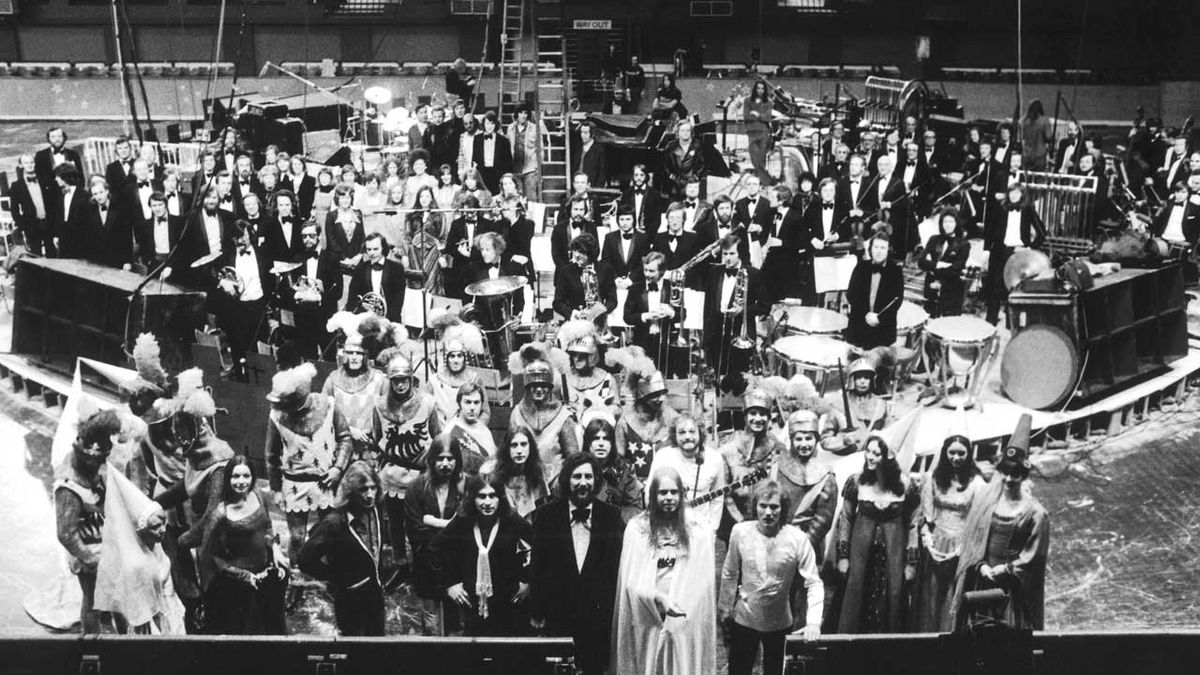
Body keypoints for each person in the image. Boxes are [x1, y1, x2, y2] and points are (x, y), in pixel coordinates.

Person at [947, 414, 1050, 631]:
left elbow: (1034, 556)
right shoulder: (989, 502)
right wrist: (981, 565)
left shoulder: (1035, 513)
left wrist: (1007, 569)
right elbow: (976, 538)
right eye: (1005, 473)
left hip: (1012, 586)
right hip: (984, 579)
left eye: (1016, 475)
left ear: (1024, 476)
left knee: (1007, 633)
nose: (1009, 479)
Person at [612, 466, 716, 675]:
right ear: (653, 495)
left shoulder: (698, 528)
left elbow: (702, 580)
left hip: (685, 616)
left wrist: (682, 604)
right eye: (662, 492)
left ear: (681, 493)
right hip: (648, 615)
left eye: (673, 492)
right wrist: (656, 598)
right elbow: (630, 580)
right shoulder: (637, 528)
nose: (669, 498)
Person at [529, 454, 626, 675]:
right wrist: (537, 612)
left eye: (588, 477)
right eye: (577, 476)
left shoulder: (610, 517)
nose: (583, 482)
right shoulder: (547, 515)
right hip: (558, 616)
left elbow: (615, 570)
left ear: (596, 480)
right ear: (567, 480)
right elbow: (537, 566)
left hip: (597, 620)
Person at [719, 481, 823, 675]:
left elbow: (814, 582)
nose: (768, 512)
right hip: (745, 619)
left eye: (774, 507)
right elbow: (730, 572)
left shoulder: (797, 538)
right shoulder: (740, 532)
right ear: (755, 507)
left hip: (779, 623)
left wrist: (813, 623)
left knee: (775, 670)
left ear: (782, 509)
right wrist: (725, 607)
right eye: (763, 506)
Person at [264, 362, 354, 560]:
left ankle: (332, 575)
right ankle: (298, 578)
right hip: (294, 485)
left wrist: (338, 469)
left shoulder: (329, 405)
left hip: (326, 482)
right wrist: (276, 488)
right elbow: (271, 454)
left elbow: (345, 438)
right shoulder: (277, 415)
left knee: (331, 534)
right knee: (296, 537)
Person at [833, 435, 919, 633]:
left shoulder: (906, 485)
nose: (870, 457)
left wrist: (911, 563)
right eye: (868, 452)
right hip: (861, 555)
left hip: (892, 556)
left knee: (892, 598)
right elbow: (845, 519)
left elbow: (913, 524)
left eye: (876, 453)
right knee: (856, 596)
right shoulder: (856, 482)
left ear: (888, 457)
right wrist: (843, 557)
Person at [428, 474, 534, 636]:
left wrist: (528, 582)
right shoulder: (464, 521)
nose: (487, 503)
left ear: (500, 498)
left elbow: (541, 547)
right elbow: (435, 548)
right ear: (473, 498)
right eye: (481, 497)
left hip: (508, 601)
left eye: (492, 496)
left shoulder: (510, 520)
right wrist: (449, 584)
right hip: (472, 603)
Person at [373, 354, 443, 586]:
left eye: (404, 379)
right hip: (392, 474)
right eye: (396, 380)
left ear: (412, 379)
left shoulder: (427, 403)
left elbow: (438, 437)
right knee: (395, 522)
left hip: (420, 476)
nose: (400, 384)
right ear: (390, 381)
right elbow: (377, 437)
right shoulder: (380, 405)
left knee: (420, 523)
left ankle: (422, 564)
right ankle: (400, 564)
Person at [198, 455, 288, 634]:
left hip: (264, 575)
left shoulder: (258, 496)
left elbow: (267, 525)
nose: (241, 482)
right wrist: (245, 577)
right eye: (235, 476)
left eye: (246, 476)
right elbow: (211, 557)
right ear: (227, 479)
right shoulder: (220, 514)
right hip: (239, 588)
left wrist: (275, 547)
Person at [297, 461, 386, 636]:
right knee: (353, 654)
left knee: (377, 651)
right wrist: (336, 577)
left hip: (376, 599)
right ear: (350, 491)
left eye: (373, 488)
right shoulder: (334, 523)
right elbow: (304, 559)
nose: (369, 495)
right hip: (350, 602)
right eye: (363, 489)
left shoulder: (374, 512)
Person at [912, 433, 986, 632]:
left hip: (963, 541)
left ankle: (952, 631)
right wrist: (927, 537)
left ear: (968, 454)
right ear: (945, 453)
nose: (956, 458)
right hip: (937, 541)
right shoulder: (934, 478)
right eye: (951, 452)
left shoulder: (976, 483)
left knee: (955, 590)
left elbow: (978, 518)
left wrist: (965, 546)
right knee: (932, 590)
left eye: (961, 453)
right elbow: (926, 514)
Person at [55, 410, 121, 633]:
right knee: (93, 601)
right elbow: (65, 533)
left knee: (111, 596)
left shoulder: (96, 473)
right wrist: (89, 558)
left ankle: (110, 632)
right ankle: (92, 640)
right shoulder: (69, 487)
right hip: (87, 550)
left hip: (104, 543)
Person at [405, 435, 469, 634]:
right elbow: (417, 533)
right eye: (440, 458)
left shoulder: (465, 487)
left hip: (457, 570)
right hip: (427, 569)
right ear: (431, 459)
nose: (445, 464)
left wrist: (433, 522)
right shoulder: (416, 488)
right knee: (431, 628)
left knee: (457, 627)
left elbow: (467, 530)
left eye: (450, 458)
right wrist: (450, 526)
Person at [773, 410, 837, 564]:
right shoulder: (778, 466)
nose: (804, 444)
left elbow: (823, 519)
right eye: (798, 439)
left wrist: (803, 545)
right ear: (791, 439)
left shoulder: (826, 475)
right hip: (778, 540)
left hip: (808, 545)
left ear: (816, 439)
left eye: (809, 438)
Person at [509, 348, 580, 485]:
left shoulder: (563, 415)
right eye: (534, 385)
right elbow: (509, 452)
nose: (539, 389)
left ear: (550, 386)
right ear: (527, 386)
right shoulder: (517, 414)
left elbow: (574, 458)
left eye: (543, 385)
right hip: (525, 483)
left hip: (556, 483)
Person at [702, 234, 768, 378]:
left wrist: (743, 311)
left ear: (740, 254)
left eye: (732, 253)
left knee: (737, 379)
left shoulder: (753, 274)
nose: (728, 258)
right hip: (717, 333)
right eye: (725, 254)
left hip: (740, 332)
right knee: (718, 376)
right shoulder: (714, 272)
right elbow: (708, 307)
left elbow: (764, 306)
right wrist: (705, 337)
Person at [719, 389, 784, 536]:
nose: (758, 418)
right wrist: (740, 521)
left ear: (769, 417)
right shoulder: (728, 450)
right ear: (745, 415)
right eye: (753, 413)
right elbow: (724, 492)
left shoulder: (778, 448)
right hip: (734, 522)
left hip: (768, 520)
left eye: (763, 414)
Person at [647, 415, 726, 534]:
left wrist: (712, 528)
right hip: (667, 527)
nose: (687, 437)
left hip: (701, 529)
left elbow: (718, 497)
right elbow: (650, 492)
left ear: (700, 433)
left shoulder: (715, 459)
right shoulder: (663, 456)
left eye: (692, 431)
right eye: (682, 432)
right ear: (675, 435)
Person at [983, 184, 1046, 325]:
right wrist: (987, 250)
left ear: (1022, 195)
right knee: (994, 287)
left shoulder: (1028, 209)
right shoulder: (1000, 208)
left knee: (1013, 287)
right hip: (999, 251)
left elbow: (1042, 233)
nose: (1013, 196)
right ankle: (990, 321)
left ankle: (1010, 323)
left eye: (1017, 193)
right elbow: (990, 229)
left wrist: (1029, 248)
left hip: (1018, 254)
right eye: (1011, 193)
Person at [321, 333, 387, 466]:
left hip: (370, 451)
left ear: (365, 356)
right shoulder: (332, 380)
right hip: (341, 452)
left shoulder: (379, 380)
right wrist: (349, 430)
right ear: (344, 355)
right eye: (350, 353)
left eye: (359, 353)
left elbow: (388, 417)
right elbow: (323, 415)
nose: (354, 358)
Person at [615, 364, 678, 482]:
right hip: (634, 484)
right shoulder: (625, 422)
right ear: (642, 397)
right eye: (655, 395)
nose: (661, 399)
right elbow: (620, 460)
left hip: (667, 483)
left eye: (662, 393)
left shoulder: (673, 418)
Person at [845, 231, 904, 350]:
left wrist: (879, 318)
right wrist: (866, 314)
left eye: (883, 247)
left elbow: (897, 301)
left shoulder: (896, 271)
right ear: (871, 249)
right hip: (859, 325)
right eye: (876, 247)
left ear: (888, 250)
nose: (879, 251)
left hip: (883, 330)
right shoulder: (861, 266)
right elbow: (851, 294)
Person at [820, 358, 891, 454]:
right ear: (851, 380)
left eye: (866, 378)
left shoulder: (881, 405)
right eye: (859, 377)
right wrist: (843, 441)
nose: (863, 381)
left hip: (871, 460)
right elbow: (825, 441)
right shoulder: (838, 404)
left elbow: (889, 436)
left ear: (871, 380)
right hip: (844, 460)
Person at [481, 425, 549, 521]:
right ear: (507, 448)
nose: (519, 451)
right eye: (514, 445)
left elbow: (542, 506)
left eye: (523, 444)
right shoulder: (491, 472)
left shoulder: (536, 470)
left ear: (530, 447)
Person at [582, 416, 643, 521]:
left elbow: (634, 508)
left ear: (612, 444)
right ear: (588, 443)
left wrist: (610, 518)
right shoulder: (576, 468)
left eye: (606, 439)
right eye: (596, 439)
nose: (601, 443)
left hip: (614, 528)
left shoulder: (625, 470)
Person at [558, 320, 620, 419]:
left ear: (591, 356)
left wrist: (601, 409)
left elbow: (616, 409)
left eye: (582, 355)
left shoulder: (607, 380)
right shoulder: (563, 379)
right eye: (574, 354)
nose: (576, 359)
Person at [918, 207, 970, 318]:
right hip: (931, 289)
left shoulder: (964, 244)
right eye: (945, 222)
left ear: (956, 223)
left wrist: (932, 267)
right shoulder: (934, 239)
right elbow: (921, 262)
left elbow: (956, 269)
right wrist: (938, 265)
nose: (947, 225)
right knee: (930, 322)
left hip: (951, 291)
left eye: (951, 221)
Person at [346, 232, 406, 323]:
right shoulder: (360, 269)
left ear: (383, 248)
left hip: (390, 321)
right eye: (369, 250)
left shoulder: (396, 269)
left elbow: (398, 300)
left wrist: (386, 320)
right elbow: (352, 297)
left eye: (375, 249)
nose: (372, 253)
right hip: (366, 322)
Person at [439, 381, 495, 471]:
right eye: (468, 402)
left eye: (476, 402)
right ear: (459, 404)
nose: (472, 407)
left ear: (481, 404)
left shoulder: (484, 429)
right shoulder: (451, 432)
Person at [9, 153, 54, 256]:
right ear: (21, 165)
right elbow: (14, 210)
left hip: (49, 223)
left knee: (53, 253)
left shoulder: (45, 180)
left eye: (31, 162)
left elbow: (53, 202)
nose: (29, 165)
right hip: (32, 226)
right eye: (26, 163)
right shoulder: (16, 186)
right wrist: (23, 225)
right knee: (35, 255)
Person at [664, 120, 708, 199]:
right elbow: (665, 165)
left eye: (688, 130)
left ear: (691, 132)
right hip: (675, 184)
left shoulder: (698, 145)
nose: (685, 133)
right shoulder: (671, 146)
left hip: (693, 184)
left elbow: (702, 164)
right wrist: (672, 177)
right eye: (682, 130)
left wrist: (696, 178)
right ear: (678, 132)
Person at [508, 104, 544, 201]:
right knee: (516, 199)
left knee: (531, 199)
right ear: (516, 114)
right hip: (515, 169)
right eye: (521, 113)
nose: (523, 116)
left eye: (525, 113)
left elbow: (540, 149)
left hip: (530, 169)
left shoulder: (534, 128)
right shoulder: (510, 128)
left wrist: (538, 168)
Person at [474, 111, 514, 193]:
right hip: (482, 174)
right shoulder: (477, 139)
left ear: (496, 125)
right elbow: (474, 158)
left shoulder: (503, 140)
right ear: (483, 124)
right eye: (487, 123)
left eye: (492, 124)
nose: (489, 126)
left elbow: (508, 161)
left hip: (497, 174)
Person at [744, 80, 774, 180]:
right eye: (758, 88)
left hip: (763, 133)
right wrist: (761, 117)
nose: (760, 90)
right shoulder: (748, 101)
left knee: (761, 159)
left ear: (765, 90)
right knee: (754, 158)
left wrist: (756, 114)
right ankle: (766, 180)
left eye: (762, 88)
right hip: (752, 133)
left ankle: (760, 181)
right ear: (755, 89)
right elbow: (746, 117)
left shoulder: (768, 102)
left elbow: (768, 118)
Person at [573, 122, 607, 188]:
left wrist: (597, 189)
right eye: (581, 132)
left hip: (592, 188)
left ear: (592, 134)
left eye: (585, 133)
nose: (582, 135)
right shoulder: (578, 149)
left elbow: (602, 173)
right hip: (578, 187)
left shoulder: (599, 150)